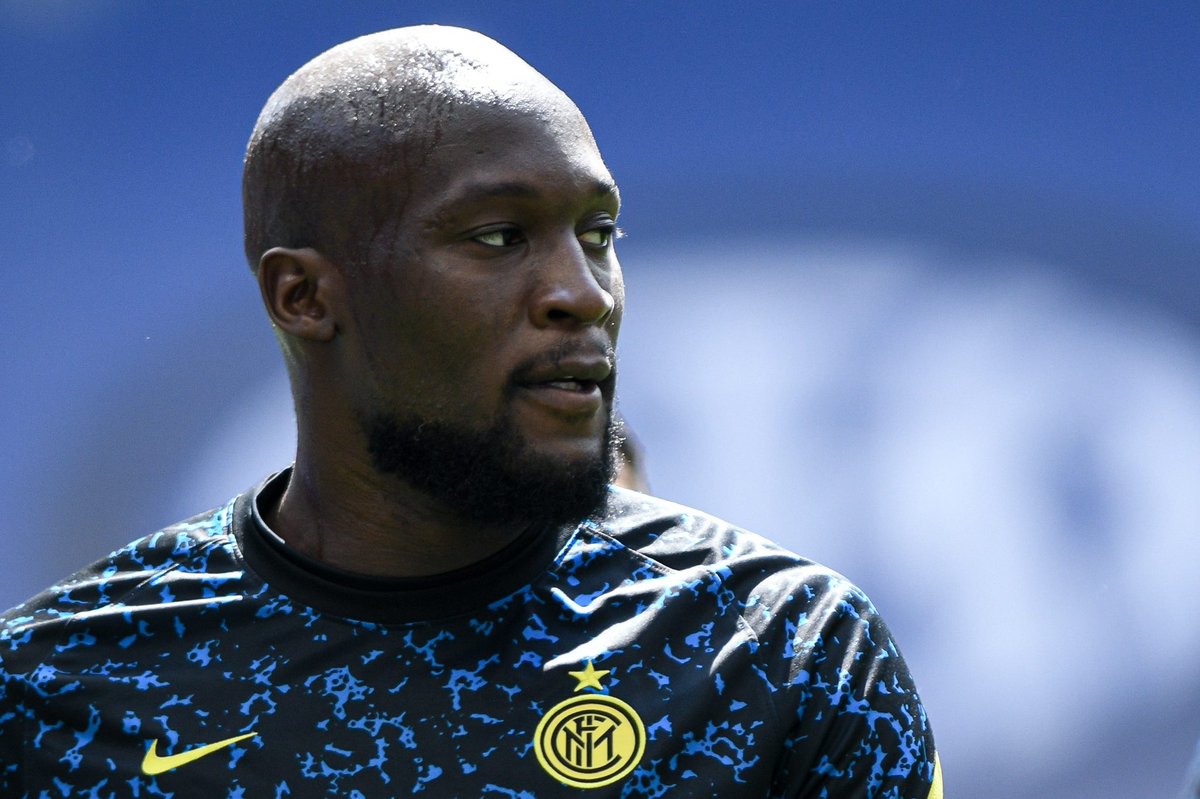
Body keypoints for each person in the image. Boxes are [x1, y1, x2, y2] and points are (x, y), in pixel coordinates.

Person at [0, 26, 941, 797]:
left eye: (599, 234)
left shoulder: (783, 655)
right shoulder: (54, 693)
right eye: (498, 236)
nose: (584, 293)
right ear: (304, 297)